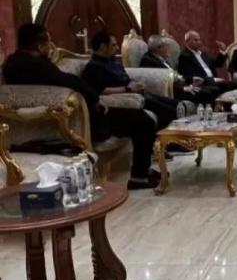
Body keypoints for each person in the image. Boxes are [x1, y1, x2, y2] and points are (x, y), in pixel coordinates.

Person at [2, 24, 159, 190]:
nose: (51, 47)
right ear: (40, 46)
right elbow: (67, 81)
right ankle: (139, 177)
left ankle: (142, 172)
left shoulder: (12, 63)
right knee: (143, 120)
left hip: (70, 117)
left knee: (138, 118)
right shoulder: (36, 65)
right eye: (48, 43)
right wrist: (95, 98)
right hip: (80, 121)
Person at [83, 31, 178, 130]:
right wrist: (127, 89)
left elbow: (125, 78)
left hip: (137, 93)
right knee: (170, 111)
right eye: (113, 45)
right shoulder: (93, 67)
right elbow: (100, 90)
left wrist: (135, 84)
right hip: (126, 98)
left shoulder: (113, 61)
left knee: (175, 104)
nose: (117, 48)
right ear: (103, 47)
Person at [140, 34, 215, 105]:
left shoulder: (161, 58)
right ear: (158, 48)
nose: (169, 49)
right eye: (167, 46)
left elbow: (175, 76)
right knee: (206, 93)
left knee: (210, 89)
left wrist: (190, 80)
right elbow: (161, 83)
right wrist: (183, 88)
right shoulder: (149, 61)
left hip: (180, 86)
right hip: (173, 92)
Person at [176, 30, 233, 95]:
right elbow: (188, 76)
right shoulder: (184, 56)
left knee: (236, 85)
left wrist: (222, 51)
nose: (199, 42)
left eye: (199, 40)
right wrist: (211, 80)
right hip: (203, 84)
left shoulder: (203, 54)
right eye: (196, 40)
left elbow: (218, 64)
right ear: (187, 42)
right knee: (226, 87)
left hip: (213, 81)